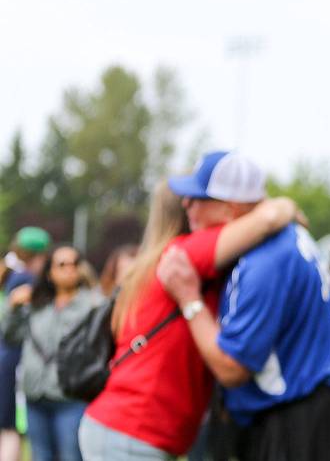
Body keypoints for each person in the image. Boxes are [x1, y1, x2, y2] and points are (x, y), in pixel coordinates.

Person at [79, 171, 300, 461]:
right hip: (132, 434)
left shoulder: (164, 259)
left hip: (126, 431)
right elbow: (268, 220)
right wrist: (286, 206)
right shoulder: (184, 254)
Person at [157, 152, 330, 461]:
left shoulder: (264, 260)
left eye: (199, 198)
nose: (187, 206)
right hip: (316, 412)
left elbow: (231, 367)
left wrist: (190, 300)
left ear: (231, 207)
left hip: (298, 420)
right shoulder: (290, 236)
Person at [0, 245, 99, 461]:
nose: (69, 269)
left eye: (75, 264)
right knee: (40, 455)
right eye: (62, 264)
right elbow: (11, 335)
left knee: (70, 455)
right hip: (36, 393)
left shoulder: (92, 304)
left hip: (70, 394)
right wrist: (13, 307)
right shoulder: (38, 303)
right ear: (50, 271)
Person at [0, 226, 50, 461]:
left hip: (6, 358)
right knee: (11, 428)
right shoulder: (25, 280)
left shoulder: (8, 274)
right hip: (15, 361)